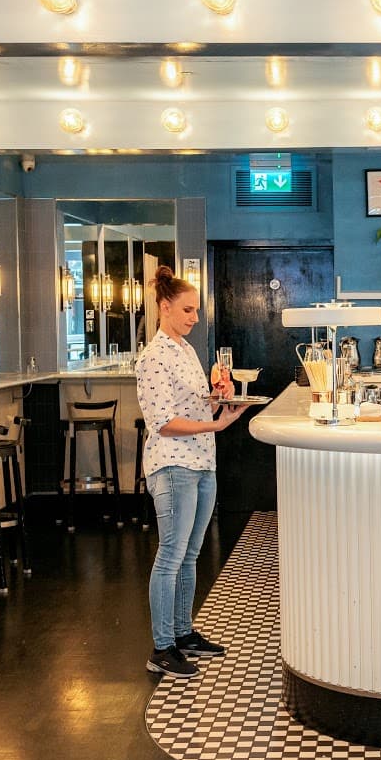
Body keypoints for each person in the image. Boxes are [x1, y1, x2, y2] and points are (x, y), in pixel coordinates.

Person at [136, 265, 247, 678]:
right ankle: (162, 647)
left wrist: (220, 396)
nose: (195, 318)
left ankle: (183, 633)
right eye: (187, 310)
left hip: (203, 462)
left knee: (191, 554)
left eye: (196, 311)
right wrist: (217, 423)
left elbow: (195, 407)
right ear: (165, 307)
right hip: (173, 465)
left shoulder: (186, 351)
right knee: (170, 556)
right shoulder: (153, 358)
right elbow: (163, 421)